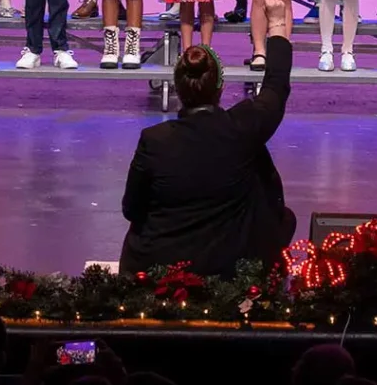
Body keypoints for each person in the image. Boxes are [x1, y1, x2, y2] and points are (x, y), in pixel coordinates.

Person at [118, 37, 296, 279]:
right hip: (231, 270)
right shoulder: (243, 127)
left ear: (178, 88)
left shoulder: (154, 140)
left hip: (163, 271)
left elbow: (132, 209)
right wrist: (277, 29)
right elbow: (275, 88)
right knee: (282, 218)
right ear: (220, 88)